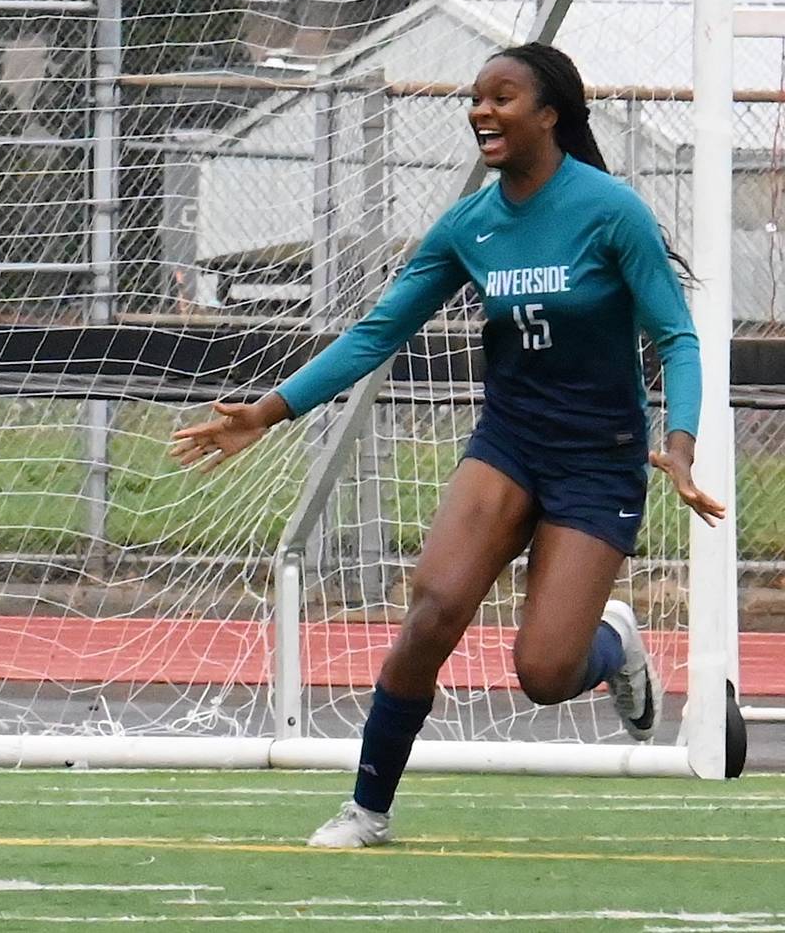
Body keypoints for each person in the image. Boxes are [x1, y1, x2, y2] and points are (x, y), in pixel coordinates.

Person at [170, 42, 724, 849]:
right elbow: (375, 334)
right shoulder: (470, 224)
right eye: (476, 97)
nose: (482, 111)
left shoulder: (611, 211)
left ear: (550, 114)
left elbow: (677, 336)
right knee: (431, 609)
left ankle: (614, 645)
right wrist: (268, 410)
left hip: (597, 458)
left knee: (542, 673)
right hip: (508, 444)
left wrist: (678, 443)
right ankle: (367, 807)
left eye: (502, 98)